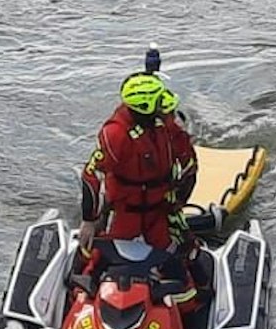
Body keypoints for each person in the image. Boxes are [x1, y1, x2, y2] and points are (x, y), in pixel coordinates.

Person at [76, 72, 198, 257]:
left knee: (187, 255)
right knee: (97, 258)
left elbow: (188, 163)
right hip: (124, 211)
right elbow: (91, 175)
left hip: (160, 210)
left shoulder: (166, 124)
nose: (165, 109)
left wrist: (178, 201)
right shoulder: (116, 134)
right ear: (145, 107)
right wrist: (89, 220)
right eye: (159, 103)